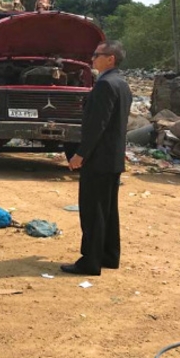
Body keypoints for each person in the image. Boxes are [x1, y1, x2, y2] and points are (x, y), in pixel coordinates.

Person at [61, 40, 132, 276]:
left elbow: (97, 126)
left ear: (110, 58)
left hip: (99, 159)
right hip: (112, 158)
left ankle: (90, 261)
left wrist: (80, 154)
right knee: (108, 210)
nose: (92, 59)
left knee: (93, 211)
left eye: (96, 55)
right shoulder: (121, 84)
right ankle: (109, 255)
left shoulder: (105, 85)